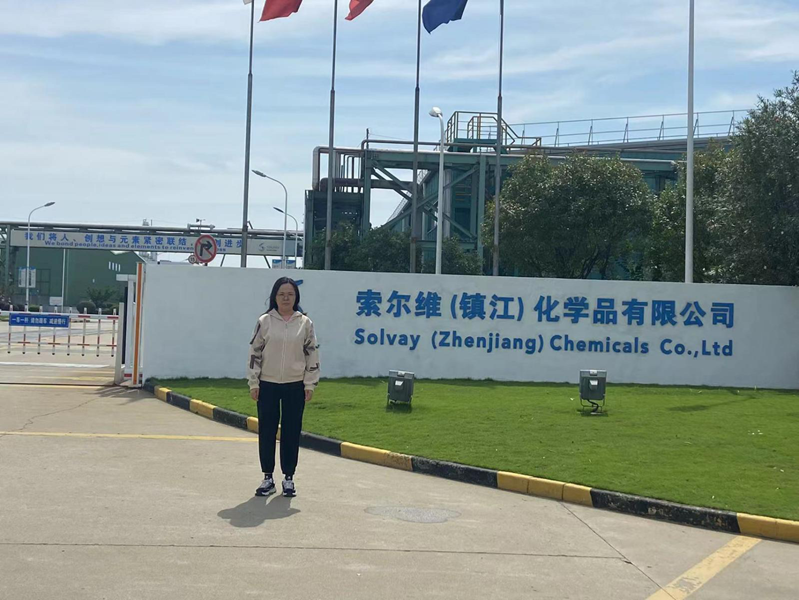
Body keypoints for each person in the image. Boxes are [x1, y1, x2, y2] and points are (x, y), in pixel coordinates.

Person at [247, 277, 320, 497]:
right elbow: (254, 353)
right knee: (267, 431)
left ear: (296, 297)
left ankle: (289, 478)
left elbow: (312, 354)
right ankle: (267, 477)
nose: (286, 298)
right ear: (274, 296)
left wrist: (310, 383)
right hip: (267, 384)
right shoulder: (264, 321)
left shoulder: (305, 323)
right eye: (281, 294)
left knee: (291, 431)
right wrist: (254, 382)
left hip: (295, 385)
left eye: (290, 294)